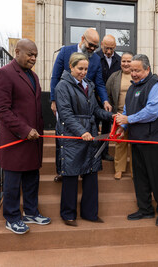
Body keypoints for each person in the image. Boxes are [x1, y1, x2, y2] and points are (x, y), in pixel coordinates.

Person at [0, 39, 51, 235]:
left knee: (32, 177)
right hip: (15, 140)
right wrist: (25, 130)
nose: (34, 58)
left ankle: (31, 212)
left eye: (35, 55)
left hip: (33, 140)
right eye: (30, 54)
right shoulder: (4, 74)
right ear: (17, 52)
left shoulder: (33, 76)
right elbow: (1, 109)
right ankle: (12, 217)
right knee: (13, 182)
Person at [55, 52, 113, 227]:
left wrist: (111, 116)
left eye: (86, 69)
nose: (83, 72)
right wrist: (81, 132)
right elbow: (66, 115)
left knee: (91, 173)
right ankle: (68, 214)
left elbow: (95, 110)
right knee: (71, 175)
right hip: (72, 135)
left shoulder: (89, 84)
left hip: (90, 134)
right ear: (71, 67)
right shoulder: (62, 86)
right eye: (80, 68)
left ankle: (90, 213)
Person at [50, 28, 112, 182]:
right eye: (90, 45)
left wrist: (104, 100)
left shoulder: (96, 59)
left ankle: (85, 168)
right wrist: (53, 100)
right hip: (65, 101)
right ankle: (62, 170)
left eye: (95, 47)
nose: (92, 49)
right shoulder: (65, 52)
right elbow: (55, 76)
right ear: (83, 38)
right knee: (64, 138)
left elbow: (99, 83)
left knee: (87, 136)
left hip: (85, 104)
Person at [116, 54, 158, 227]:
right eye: (132, 70)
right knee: (140, 177)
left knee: (157, 177)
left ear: (147, 69)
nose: (133, 74)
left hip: (155, 140)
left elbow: (152, 112)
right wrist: (122, 127)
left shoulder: (156, 85)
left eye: (137, 70)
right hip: (137, 140)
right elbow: (126, 110)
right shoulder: (132, 88)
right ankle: (145, 209)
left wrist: (128, 120)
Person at [106, 51, 134, 180]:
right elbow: (108, 94)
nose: (126, 64)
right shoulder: (114, 76)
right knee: (120, 142)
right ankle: (119, 169)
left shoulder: (137, 75)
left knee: (135, 143)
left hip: (135, 116)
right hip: (119, 115)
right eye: (124, 61)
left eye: (129, 61)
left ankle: (136, 171)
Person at [96, 34, 122, 161]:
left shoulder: (119, 60)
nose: (109, 51)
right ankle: (93, 152)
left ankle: (104, 152)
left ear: (115, 46)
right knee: (94, 125)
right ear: (101, 44)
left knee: (107, 127)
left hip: (110, 100)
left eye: (112, 48)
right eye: (106, 48)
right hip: (96, 98)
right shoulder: (94, 57)